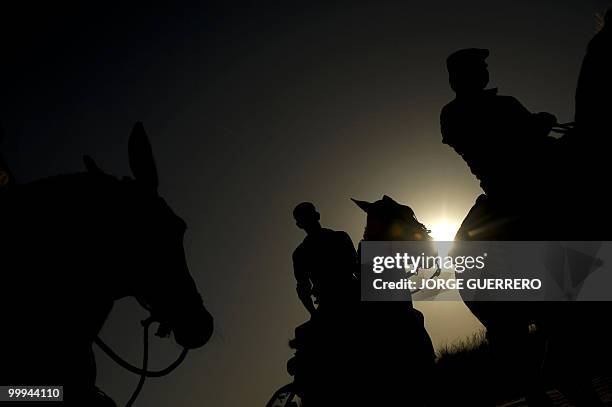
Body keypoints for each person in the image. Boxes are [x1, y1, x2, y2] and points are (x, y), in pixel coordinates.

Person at [440, 48, 558, 208]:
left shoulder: (450, 112)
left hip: (497, 185)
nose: (485, 69)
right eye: (481, 66)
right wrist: (543, 121)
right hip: (531, 177)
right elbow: (526, 136)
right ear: (466, 73)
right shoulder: (503, 103)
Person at [291, 202, 357, 314]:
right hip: (330, 302)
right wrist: (313, 314)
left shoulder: (340, 237)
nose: (308, 220)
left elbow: (357, 268)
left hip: (352, 294)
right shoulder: (300, 254)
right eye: (304, 217)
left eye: (309, 215)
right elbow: (303, 287)